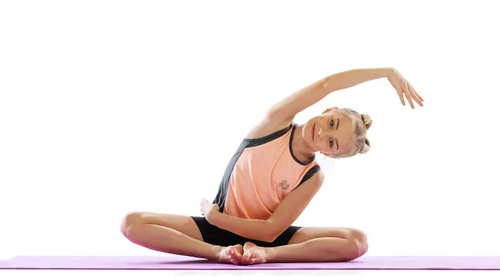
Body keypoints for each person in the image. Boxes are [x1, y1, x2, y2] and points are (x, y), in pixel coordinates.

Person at [121, 67, 423, 265]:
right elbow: (327, 84)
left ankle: (267, 257)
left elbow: (270, 230)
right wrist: (387, 72)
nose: (324, 133)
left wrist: (222, 222)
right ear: (328, 110)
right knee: (131, 222)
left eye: (332, 143)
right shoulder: (274, 123)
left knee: (357, 241)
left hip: (260, 238)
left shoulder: (312, 177)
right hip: (213, 231)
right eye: (332, 123)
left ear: (329, 155)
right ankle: (219, 254)